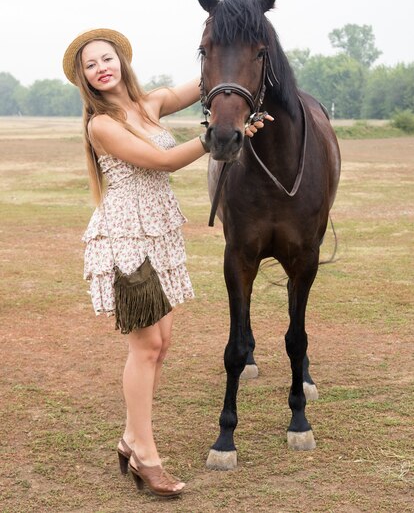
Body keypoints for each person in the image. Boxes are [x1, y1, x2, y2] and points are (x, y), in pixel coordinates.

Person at [62, 28, 271, 499]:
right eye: (91, 65)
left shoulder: (149, 104)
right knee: (145, 347)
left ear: (121, 61)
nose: (102, 68)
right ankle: (145, 455)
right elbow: (164, 162)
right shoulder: (102, 124)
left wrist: (237, 50)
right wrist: (222, 137)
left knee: (162, 344)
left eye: (107, 58)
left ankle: (130, 437)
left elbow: (206, 83)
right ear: (85, 78)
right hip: (126, 238)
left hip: (159, 234)